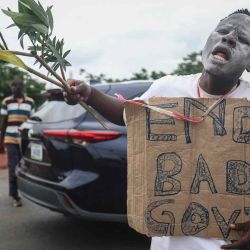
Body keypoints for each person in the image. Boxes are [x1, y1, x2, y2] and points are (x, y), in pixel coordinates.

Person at [63, 9, 250, 250]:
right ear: (207, 41)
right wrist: (89, 94)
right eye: (223, 31)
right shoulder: (168, 87)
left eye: (243, 38)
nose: (230, 37)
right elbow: (128, 113)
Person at [0, 78, 35, 207]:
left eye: (16, 85)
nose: (13, 88)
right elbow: (4, 122)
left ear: (22, 86)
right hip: (10, 138)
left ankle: (25, 191)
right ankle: (15, 195)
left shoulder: (30, 102)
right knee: (13, 166)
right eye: (12, 86)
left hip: (24, 139)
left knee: (24, 166)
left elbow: (32, 122)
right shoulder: (7, 101)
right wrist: (1, 142)